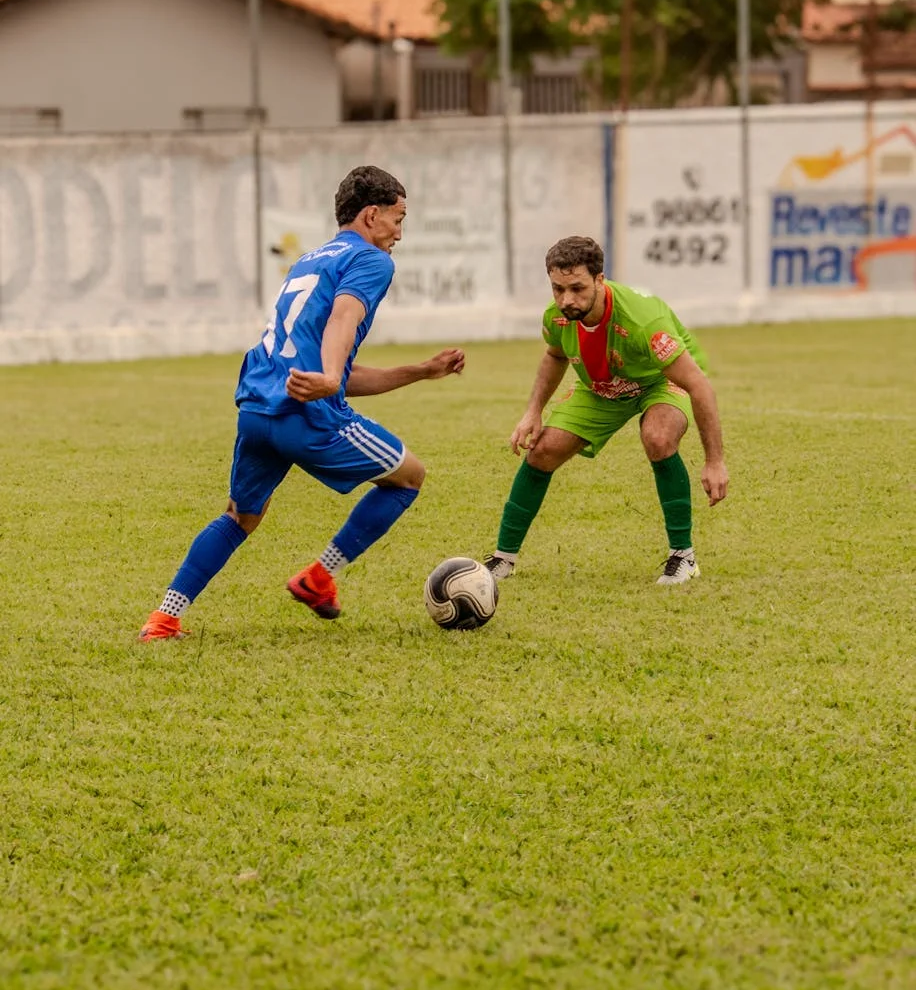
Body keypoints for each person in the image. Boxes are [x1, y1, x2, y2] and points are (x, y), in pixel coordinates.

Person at [139, 165, 465, 641]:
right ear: (371, 215)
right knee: (409, 478)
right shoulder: (372, 260)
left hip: (258, 409)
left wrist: (418, 371)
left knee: (240, 517)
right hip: (306, 416)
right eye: (398, 218)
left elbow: (328, 370)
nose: (399, 232)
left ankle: (164, 618)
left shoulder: (310, 261)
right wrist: (331, 377)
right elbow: (343, 320)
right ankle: (319, 577)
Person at [482, 235, 728, 587]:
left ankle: (683, 557)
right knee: (542, 452)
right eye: (557, 289)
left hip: (659, 379)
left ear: (600, 280)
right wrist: (532, 411)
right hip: (602, 384)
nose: (567, 299)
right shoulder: (557, 318)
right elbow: (554, 356)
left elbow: (700, 386)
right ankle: (503, 559)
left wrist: (714, 461)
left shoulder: (643, 321)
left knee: (658, 438)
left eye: (577, 288)